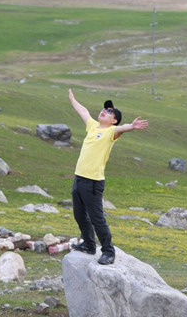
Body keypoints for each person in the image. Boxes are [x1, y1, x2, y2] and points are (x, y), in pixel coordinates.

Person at [68, 88, 149, 265]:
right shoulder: (92, 126)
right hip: (79, 178)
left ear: (114, 120)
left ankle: (108, 251)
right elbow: (83, 111)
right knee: (79, 215)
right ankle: (89, 245)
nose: (105, 111)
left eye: (110, 112)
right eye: (105, 109)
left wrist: (132, 126)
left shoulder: (111, 131)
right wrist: (73, 99)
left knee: (97, 218)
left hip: (93, 182)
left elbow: (123, 128)